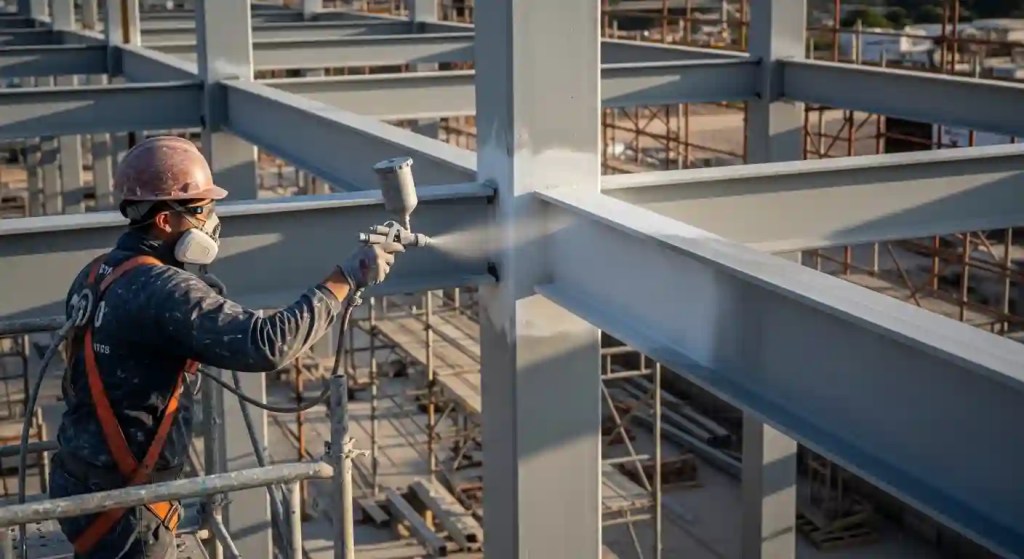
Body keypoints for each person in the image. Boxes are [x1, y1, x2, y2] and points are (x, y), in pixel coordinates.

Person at [48, 136, 404, 558]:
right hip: (127, 506)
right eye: (200, 210)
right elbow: (265, 343)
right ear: (164, 221)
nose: (210, 221)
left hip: (78, 483)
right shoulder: (163, 288)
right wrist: (346, 277)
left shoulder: (96, 273)